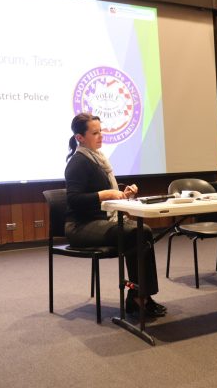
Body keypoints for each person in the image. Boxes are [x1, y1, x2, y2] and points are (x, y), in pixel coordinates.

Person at [64, 113, 166, 318]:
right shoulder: (78, 162)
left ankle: (138, 295)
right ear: (80, 138)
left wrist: (123, 194)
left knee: (139, 232)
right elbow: (74, 200)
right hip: (81, 226)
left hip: (101, 220)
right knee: (137, 232)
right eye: (95, 133)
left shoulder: (98, 159)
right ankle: (139, 297)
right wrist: (106, 194)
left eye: (101, 131)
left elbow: (103, 194)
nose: (101, 136)